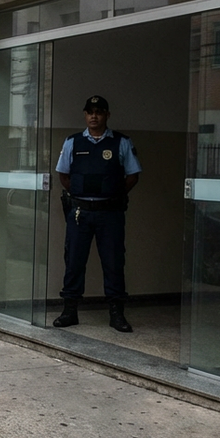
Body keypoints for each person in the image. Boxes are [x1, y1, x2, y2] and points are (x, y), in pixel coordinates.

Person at [53, 95, 142, 333]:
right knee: (73, 261)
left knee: (113, 262)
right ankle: (69, 311)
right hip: (80, 212)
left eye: (99, 112)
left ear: (107, 115)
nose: (94, 116)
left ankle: (116, 314)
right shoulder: (72, 142)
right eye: (90, 111)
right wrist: (81, 194)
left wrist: (113, 194)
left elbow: (133, 175)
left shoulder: (121, 142)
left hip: (109, 213)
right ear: (85, 114)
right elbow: (63, 175)